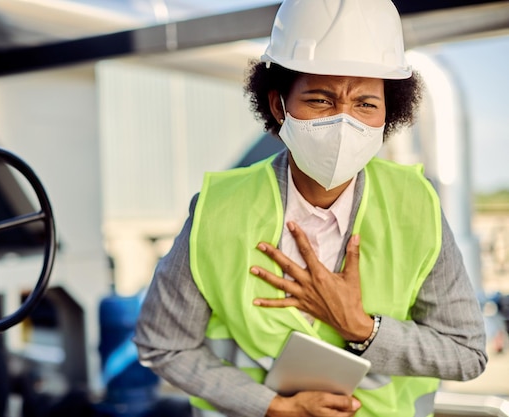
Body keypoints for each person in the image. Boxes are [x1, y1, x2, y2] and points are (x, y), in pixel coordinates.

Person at [133, 0, 488, 416]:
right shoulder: (218, 209)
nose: (344, 122)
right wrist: (271, 406)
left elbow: (467, 354)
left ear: (390, 111)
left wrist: (360, 327)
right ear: (279, 105)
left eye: (366, 104)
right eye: (321, 100)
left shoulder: (416, 206)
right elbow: (163, 344)